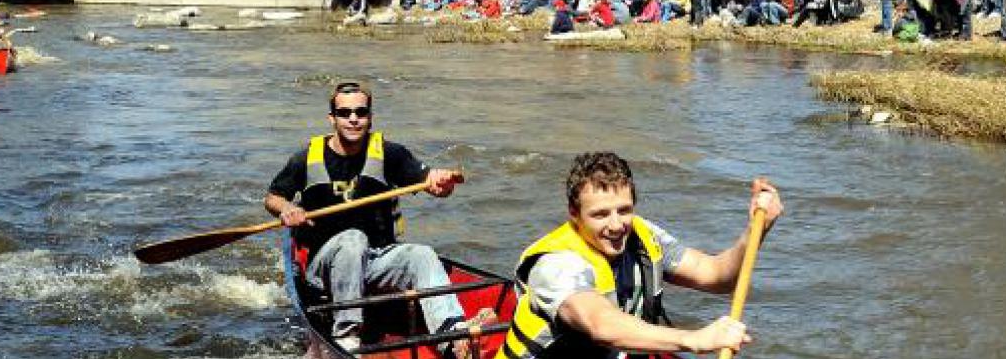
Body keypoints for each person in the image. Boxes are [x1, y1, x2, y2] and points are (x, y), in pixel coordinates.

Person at [265, 83, 485, 355]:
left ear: (370, 116)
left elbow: (434, 185)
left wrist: (441, 183)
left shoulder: (391, 154)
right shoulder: (305, 159)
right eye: (345, 113)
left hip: (375, 261)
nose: (353, 119)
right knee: (353, 239)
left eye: (361, 112)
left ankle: (452, 335)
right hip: (324, 272)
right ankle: (347, 338)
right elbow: (272, 198)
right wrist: (287, 208)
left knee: (422, 255)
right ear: (332, 118)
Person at [494, 152, 783, 359]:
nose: (617, 224)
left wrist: (755, 232)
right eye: (600, 214)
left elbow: (717, 277)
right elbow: (600, 324)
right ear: (574, 214)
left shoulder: (643, 237)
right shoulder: (556, 264)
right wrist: (693, 339)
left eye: (624, 209)